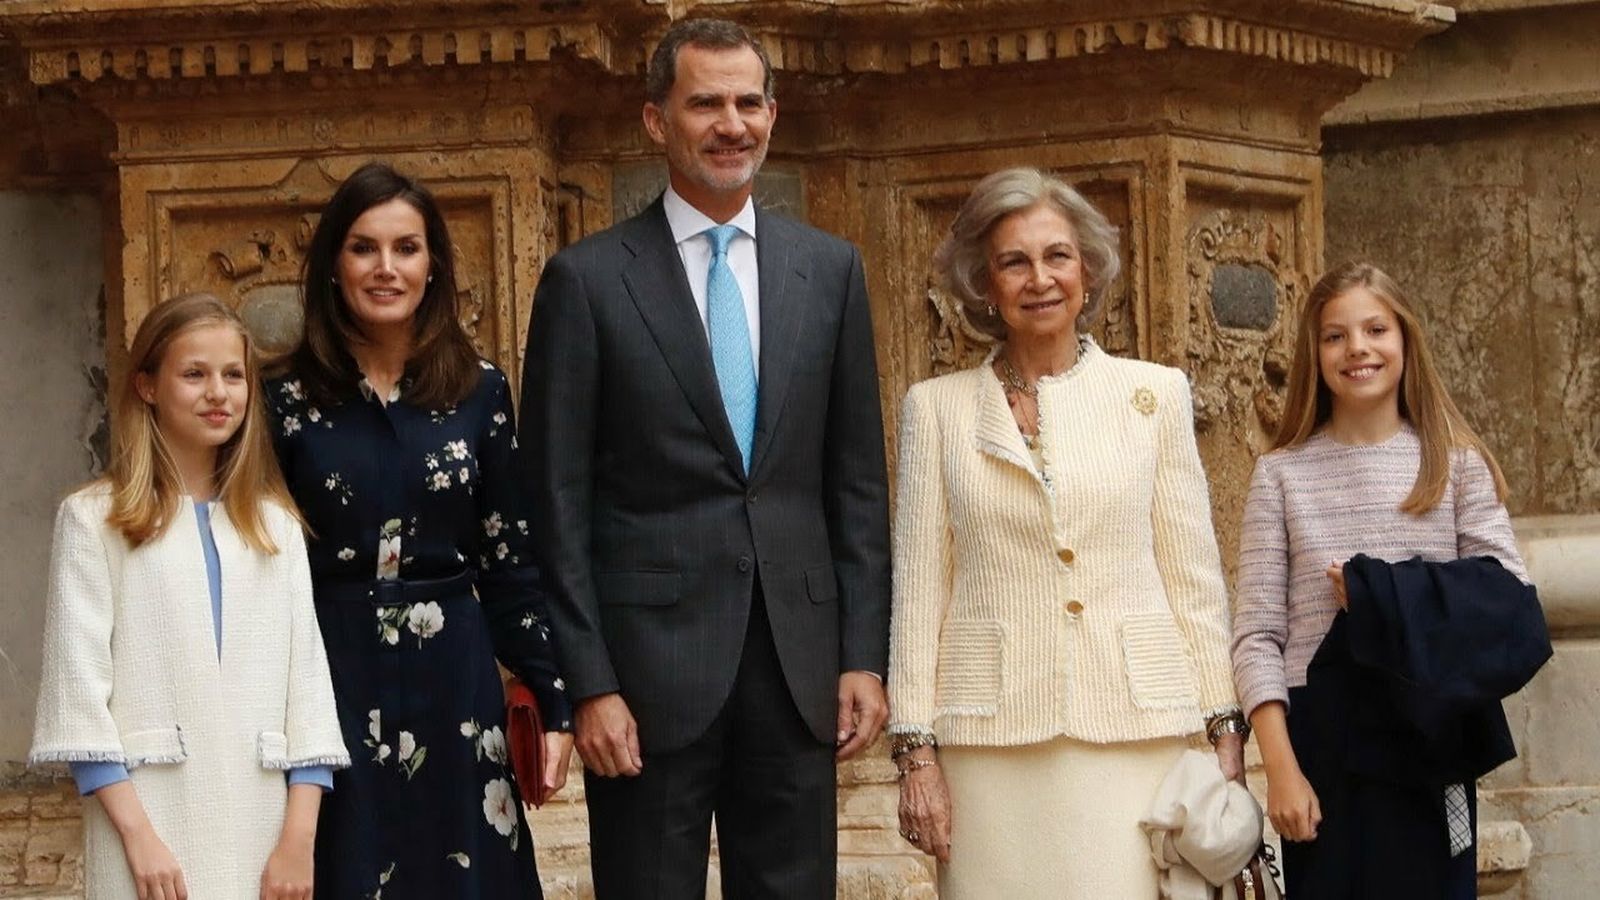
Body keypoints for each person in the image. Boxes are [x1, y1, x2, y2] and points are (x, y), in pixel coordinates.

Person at [519, 17, 891, 899]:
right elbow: (555, 504)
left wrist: (863, 657)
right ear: (657, 121)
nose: (732, 124)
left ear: (772, 114)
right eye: (706, 105)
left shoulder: (831, 271)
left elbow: (857, 485)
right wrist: (589, 684)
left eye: (748, 103)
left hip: (798, 670)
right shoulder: (587, 281)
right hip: (645, 680)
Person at [888, 167, 1246, 898]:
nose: (1040, 279)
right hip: (988, 740)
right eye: (1014, 262)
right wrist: (915, 754)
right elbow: (919, 592)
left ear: (1087, 270)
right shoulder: (936, 409)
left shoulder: (1153, 395)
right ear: (985, 285)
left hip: (1135, 729)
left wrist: (1224, 728)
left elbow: (1193, 578)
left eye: (1058, 256)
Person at [266, 162, 573, 898]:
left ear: (433, 265)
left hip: (454, 678)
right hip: (329, 672)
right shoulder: (283, 398)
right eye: (363, 248)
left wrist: (554, 701)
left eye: (406, 248)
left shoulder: (480, 389)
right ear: (333, 265)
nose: (386, 267)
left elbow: (510, 557)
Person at [1232, 261, 1537, 898]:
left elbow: (1508, 600)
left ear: (1405, 339)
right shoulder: (1281, 474)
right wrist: (1281, 770)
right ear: (1314, 353)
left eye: (1376, 329)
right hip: (1324, 745)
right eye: (1335, 335)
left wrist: (1380, 594)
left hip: (1430, 741)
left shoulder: (1454, 464)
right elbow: (1257, 636)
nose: (1357, 348)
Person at [31, 292, 349, 900]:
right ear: (148, 385)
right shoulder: (95, 521)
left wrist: (297, 841)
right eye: (194, 374)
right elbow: (79, 697)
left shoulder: (275, 527)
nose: (218, 393)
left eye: (234, 375)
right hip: (146, 824)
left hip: (262, 827)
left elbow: (308, 693)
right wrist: (138, 838)